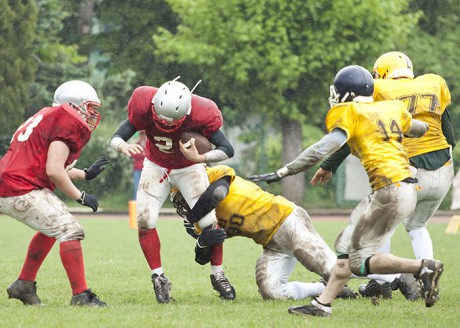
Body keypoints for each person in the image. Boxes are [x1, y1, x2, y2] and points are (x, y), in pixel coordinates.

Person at [247, 65, 444, 317]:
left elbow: (323, 147)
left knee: (357, 260)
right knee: (345, 243)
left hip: (389, 191)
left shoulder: (349, 111)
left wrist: (284, 172)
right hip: (403, 188)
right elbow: (420, 129)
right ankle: (322, 304)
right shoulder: (390, 107)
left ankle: (422, 268)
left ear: (347, 94)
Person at [312, 51, 454, 300]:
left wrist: (329, 164)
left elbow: (356, 131)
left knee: (381, 224)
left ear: (382, 74)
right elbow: (447, 128)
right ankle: (427, 280)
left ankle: (383, 280)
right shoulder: (432, 83)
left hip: (409, 171)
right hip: (444, 168)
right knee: (418, 226)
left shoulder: (378, 90)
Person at [109, 77, 235, 303]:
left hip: (189, 168)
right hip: (155, 165)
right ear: (154, 105)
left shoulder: (202, 111)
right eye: (161, 117)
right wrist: (122, 145)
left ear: (187, 112)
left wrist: (201, 157)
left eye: (172, 120)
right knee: (145, 221)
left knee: (210, 223)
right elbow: (116, 136)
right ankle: (158, 277)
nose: (166, 124)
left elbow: (228, 149)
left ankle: (218, 275)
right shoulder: (143, 102)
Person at [171, 164, 357, 300]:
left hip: (288, 221)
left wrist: (195, 216)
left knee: (334, 270)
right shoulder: (204, 219)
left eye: (183, 195)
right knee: (271, 291)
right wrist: (203, 242)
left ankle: (384, 277)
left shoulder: (214, 174)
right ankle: (320, 289)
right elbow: (202, 258)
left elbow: (217, 194)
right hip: (272, 244)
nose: (185, 201)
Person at [0, 80, 109, 307]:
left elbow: (48, 162)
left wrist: (85, 174)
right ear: (73, 105)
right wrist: (80, 196)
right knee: (70, 229)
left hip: (11, 181)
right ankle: (81, 296)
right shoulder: (67, 119)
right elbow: (54, 170)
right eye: (89, 108)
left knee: (51, 229)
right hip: (20, 187)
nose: (91, 115)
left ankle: (24, 285)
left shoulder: (45, 115)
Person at [132, 130, 147, 200]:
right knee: (136, 187)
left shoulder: (148, 146)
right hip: (137, 169)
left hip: (146, 169)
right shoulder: (137, 144)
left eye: (144, 135)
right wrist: (142, 154)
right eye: (141, 135)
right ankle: (136, 203)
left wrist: (142, 154)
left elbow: (149, 156)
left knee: (146, 187)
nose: (142, 136)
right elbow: (133, 154)